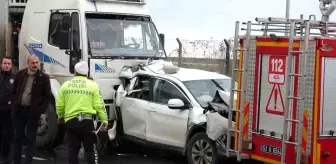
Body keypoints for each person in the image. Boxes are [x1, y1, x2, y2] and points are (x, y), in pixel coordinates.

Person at [56, 61, 108, 164]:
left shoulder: (66, 85)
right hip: (87, 123)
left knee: (72, 150)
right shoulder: (93, 85)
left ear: (74, 71)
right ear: (86, 73)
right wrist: (104, 120)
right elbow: (99, 105)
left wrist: (60, 117)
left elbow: (60, 104)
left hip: (71, 122)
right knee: (90, 150)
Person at [10, 54, 51, 164]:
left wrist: (40, 109)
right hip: (19, 110)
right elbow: (13, 91)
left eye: (37, 62)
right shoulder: (20, 75)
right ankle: (16, 160)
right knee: (17, 137)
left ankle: (28, 161)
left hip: (32, 112)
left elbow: (47, 96)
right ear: (27, 63)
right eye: (32, 63)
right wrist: (14, 104)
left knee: (31, 137)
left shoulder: (44, 77)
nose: (35, 65)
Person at [0, 57, 15, 163]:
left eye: (9, 63)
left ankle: (5, 156)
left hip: (8, 113)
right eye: (5, 63)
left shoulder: (15, 78)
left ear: (11, 65)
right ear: (1, 64)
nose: (7, 65)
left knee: (7, 135)